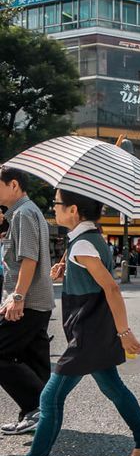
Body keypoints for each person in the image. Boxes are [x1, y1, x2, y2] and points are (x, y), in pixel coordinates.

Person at [0, 190, 140, 456]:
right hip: (92, 332)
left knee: (50, 398)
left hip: (87, 335)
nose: (53, 208)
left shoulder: (83, 244)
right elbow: (94, 279)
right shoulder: (85, 241)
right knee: (113, 387)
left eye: (57, 203)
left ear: (73, 210)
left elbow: (111, 287)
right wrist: (65, 270)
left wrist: (125, 332)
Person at [0, 168, 54, 437]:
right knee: (33, 360)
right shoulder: (24, 213)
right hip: (37, 300)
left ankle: (36, 407)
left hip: (28, 301)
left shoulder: (23, 213)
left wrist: (17, 297)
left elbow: (29, 259)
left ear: (13, 185)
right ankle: (36, 416)